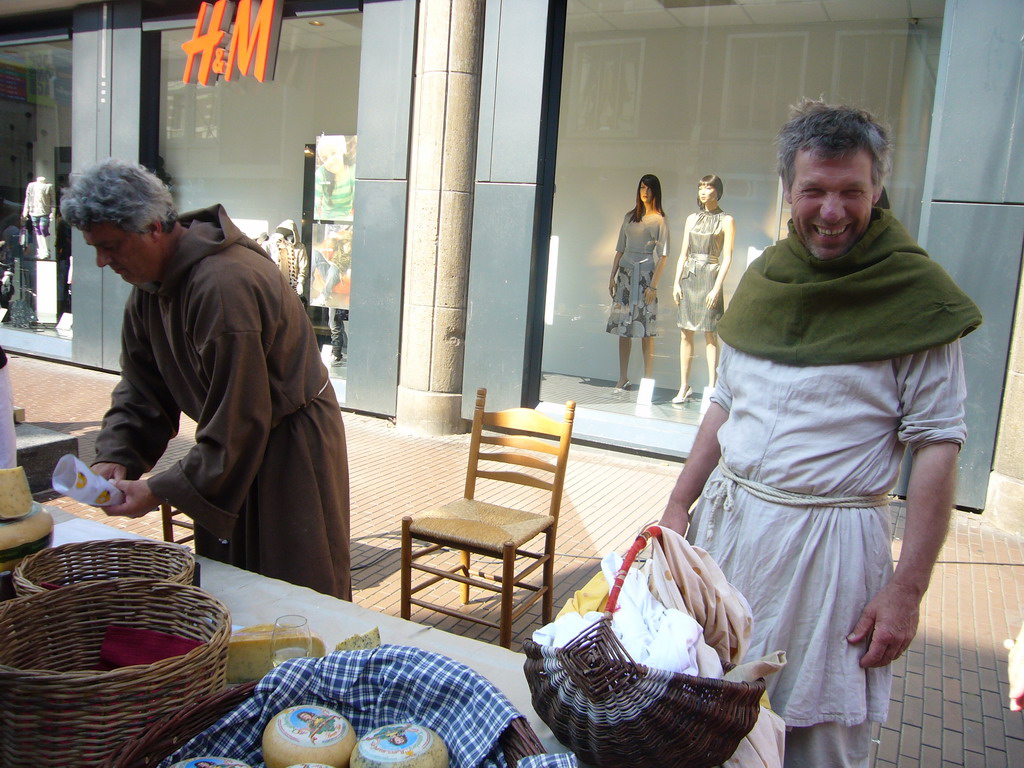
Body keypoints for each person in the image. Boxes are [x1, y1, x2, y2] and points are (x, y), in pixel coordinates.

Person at [659, 100, 982, 767]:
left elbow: (937, 446)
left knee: (815, 739)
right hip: (731, 532)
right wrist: (677, 502)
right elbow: (724, 401)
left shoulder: (914, 295)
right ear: (787, 192)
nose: (832, 211)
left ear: (875, 191)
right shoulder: (765, 280)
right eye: (814, 191)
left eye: (851, 192)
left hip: (829, 554)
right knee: (715, 712)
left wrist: (907, 591)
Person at [60, 158, 352, 599]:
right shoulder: (149, 289)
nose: (103, 261)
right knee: (231, 587)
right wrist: (116, 455)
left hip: (288, 454)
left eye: (112, 246)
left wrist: (157, 489)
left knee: (293, 593)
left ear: (154, 228)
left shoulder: (222, 285)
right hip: (232, 445)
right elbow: (142, 391)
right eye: (95, 248)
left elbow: (240, 419)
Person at [671, 174, 735, 403]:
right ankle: (684, 386)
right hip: (690, 276)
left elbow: (727, 257)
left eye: (708, 187)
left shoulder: (726, 220)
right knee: (685, 333)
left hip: (710, 276)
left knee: (710, 334)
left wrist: (717, 287)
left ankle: (712, 386)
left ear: (717, 190)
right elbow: (682, 254)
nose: (703, 191)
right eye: (700, 187)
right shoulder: (692, 219)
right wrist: (676, 282)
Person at [606, 173, 669, 391]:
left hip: (645, 277)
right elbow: (619, 248)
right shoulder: (629, 217)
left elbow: (663, 255)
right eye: (642, 187)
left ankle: (647, 378)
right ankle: (622, 376)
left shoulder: (660, 220)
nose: (645, 192)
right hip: (625, 275)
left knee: (645, 329)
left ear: (655, 192)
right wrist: (612, 276)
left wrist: (653, 285)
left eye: (649, 188)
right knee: (624, 329)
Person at [264, 219, 309, 299]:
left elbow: (303, 265)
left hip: (292, 286)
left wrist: (300, 282)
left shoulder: (299, 248)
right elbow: (263, 258)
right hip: (275, 283)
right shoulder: (271, 245)